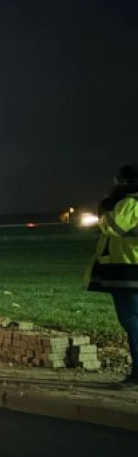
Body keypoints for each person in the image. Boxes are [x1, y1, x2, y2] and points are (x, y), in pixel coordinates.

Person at [86, 164, 138, 388]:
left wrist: (104, 211)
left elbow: (114, 228)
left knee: (131, 321)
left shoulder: (130, 203)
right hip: (128, 269)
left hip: (128, 270)